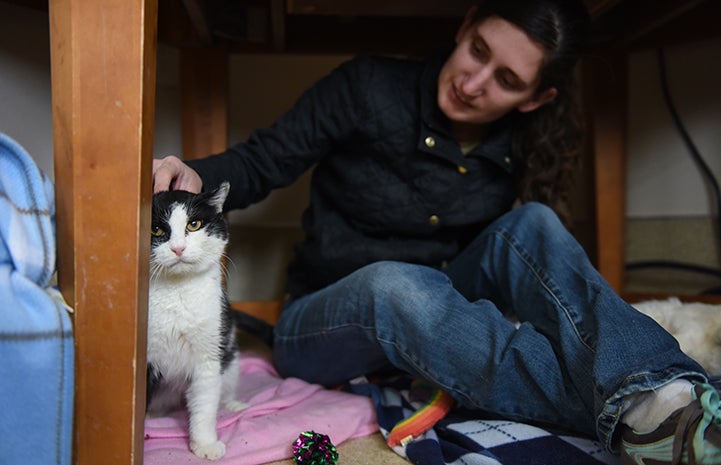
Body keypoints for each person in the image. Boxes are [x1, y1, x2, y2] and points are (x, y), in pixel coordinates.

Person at [152, 0, 721, 463]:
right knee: (393, 283)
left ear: (535, 99)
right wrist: (198, 177)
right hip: (322, 324)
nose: (473, 84)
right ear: (466, 23)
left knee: (534, 222)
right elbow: (263, 160)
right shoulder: (367, 85)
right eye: (477, 51)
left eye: (505, 80)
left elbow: (523, 269)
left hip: (439, 306)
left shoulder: (523, 144)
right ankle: (632, 410)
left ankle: (663, 394)